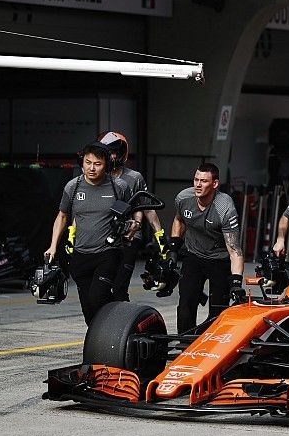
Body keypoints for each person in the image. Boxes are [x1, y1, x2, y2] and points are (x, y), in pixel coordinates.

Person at [45, 141, 137, 325]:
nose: (92, 168)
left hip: (108, 252)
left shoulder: (119, 187)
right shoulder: (73, 187)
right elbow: (62, 216)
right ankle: (108, 331)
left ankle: (118, 326)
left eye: (97, 164)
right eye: (88, 162)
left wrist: (133, 226)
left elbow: (131, 215)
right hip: (80, 255)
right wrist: (53, 246)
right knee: (89, 310)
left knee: (97, 297)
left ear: (107, 165)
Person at [169, 163, 244, 333]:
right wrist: (173, 249)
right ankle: (185, 342)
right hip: (193, 255)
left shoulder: (225, 208)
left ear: (215, 184)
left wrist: (236, 282)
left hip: (219, 259)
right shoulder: (183, 198)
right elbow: (179, 220)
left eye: (203, 181)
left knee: (217, 311)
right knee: (185, 305)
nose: (198, 184)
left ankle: (212, 344)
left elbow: (235, 251)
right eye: (196, 179)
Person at [98, 131, 165, 302]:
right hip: (103, 237)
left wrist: (160, 237)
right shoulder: (96, 177)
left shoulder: (134, 178)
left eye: (114, 152)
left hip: (129, 237)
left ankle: (123, 317)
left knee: (119, 287)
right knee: (101, 288)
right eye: (107, 152)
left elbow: (147, 208)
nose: (111, 156)